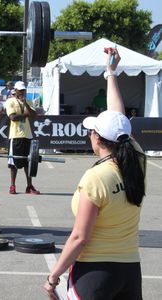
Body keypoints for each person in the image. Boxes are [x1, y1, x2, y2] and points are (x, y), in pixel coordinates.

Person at [43, 48, 146, 300]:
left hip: (95, 273)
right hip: (130, 270)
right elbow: (119, 119)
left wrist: (53, 276)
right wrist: (111, 73)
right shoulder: (138, 159)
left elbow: (79, 238)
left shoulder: (96, 177)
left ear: (97, 138)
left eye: (91, 131)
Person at [5, 81, 40, 195]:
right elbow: (13, 117)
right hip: (15, 135)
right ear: (15, 90)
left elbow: (34, 115)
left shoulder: (28, 101)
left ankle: (29, 186)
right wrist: (25, 114)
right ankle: (12, 185)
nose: (22, 92)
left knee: (28, 162)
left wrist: (26, 105)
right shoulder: (10, 101)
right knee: (13, 162)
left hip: (27, 135)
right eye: (20, 90)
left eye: (24, 90)